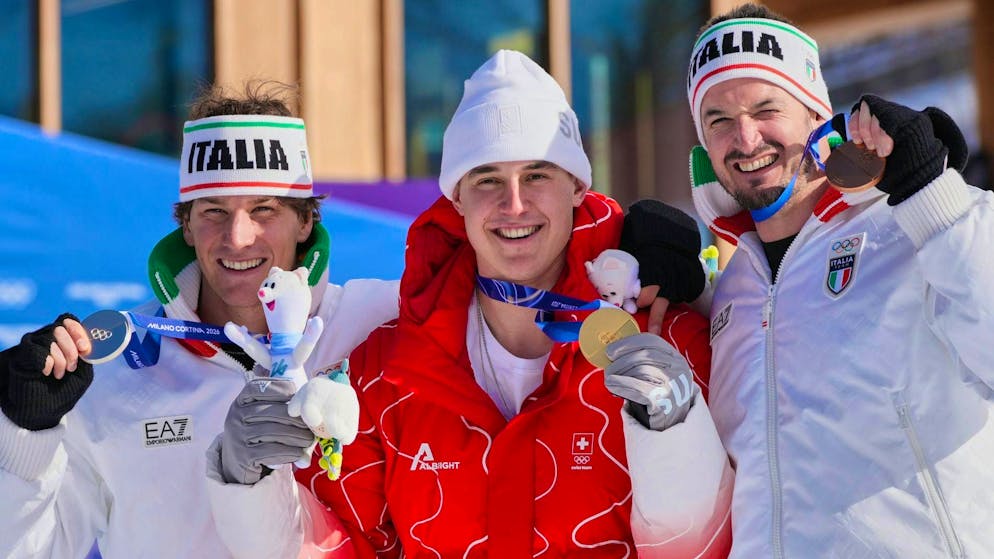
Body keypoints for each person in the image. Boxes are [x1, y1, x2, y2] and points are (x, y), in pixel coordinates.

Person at [207, 50, 733, 558]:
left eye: (537, 175)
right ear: (455, 199)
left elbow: (710, 547)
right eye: (487, 180)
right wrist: (247, 487)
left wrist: (676, 436)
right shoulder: (384, 376)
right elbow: (341, 547)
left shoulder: (667, 339)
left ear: (576, 185)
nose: (515, 204)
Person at [628, 3, 994, 557]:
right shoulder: (734, 291)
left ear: (814, 111)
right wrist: (694, 301)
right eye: (719, 120)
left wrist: (932, 198)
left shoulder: (912, 227)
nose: (745, 139)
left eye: (766, 108)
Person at [0, 82, 398, 558]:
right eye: (214, 211)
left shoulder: (378, 324)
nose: (238, 236)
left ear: (306, 221)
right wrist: (23, 436)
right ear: (186, 225)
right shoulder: (116, 366)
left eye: (263, 210)